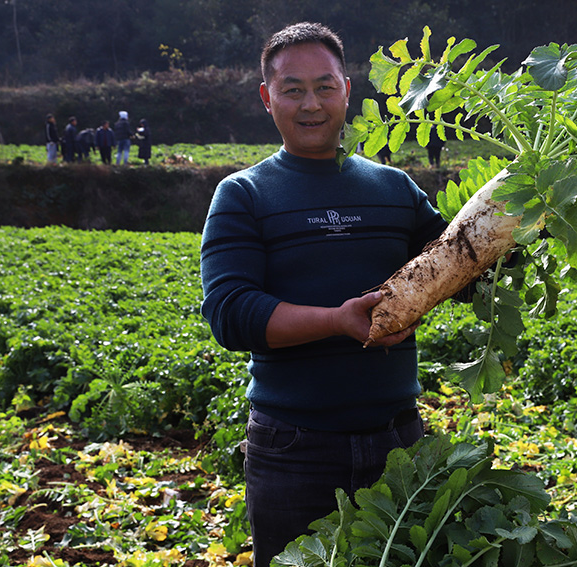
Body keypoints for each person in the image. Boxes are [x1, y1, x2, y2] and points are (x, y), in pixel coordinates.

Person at [200, 22, 460, 567]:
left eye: (325, 86)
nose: (311, 103)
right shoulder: (243, 194)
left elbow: (461, 268)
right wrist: (338, 320)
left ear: (348, 90)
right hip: (294, 449)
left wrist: (526, 214)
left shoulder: (395, 190)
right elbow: (231, 312)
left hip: (400, 445)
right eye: (293, 89)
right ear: (267, 98)